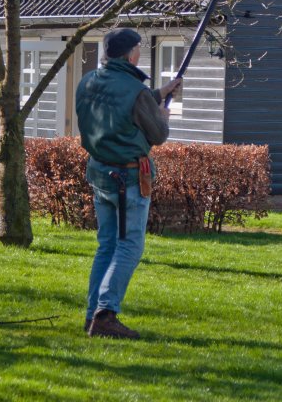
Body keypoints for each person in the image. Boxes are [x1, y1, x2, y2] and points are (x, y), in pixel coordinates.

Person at [76, 28, 181, 339]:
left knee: (106, 245)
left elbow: (121, 106)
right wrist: (162, 115)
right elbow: (158, 134)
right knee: (129, 247)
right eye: (138, 48)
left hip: (99, 172)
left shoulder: (89, 82)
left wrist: (161, 92)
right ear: (131, 54)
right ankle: (106, 314)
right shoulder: (133, 90)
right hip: (129, 178)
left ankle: (91, 313)